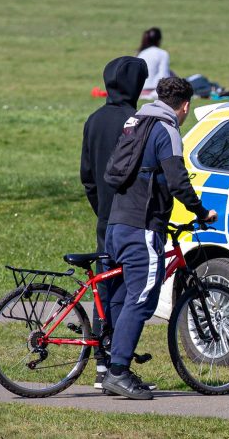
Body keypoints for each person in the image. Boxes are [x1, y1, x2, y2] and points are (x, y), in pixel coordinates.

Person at [102, 77, 218, 400]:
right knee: (144, 298)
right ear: (185, 106)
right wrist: (200, 211)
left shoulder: (135, 122)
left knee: (124, 296)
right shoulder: (167, 129)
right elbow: (178, 180)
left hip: (116, 223)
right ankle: (118, 371)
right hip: (141, 227)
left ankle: (112, 365)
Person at [80, 56, 148, 390]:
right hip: (130, 219)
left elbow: (87, 177)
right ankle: (118, 362)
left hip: (104, 218)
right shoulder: (136, 121)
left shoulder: (93, 120)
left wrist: (100, 209)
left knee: (102, 290)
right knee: (126, 291)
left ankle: (101, 362)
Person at [136, 27, 174, 99]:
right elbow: (164, 76)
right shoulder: (163, 53)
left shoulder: (141, 53)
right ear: (159, 40)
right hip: (155, 91)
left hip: (140, 91)